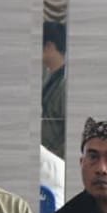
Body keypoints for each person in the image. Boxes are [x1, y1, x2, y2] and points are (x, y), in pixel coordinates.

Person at [41, 20, 67, 158]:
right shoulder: (50, 77)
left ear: (49, 46)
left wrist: (54, 159)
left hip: (54, 160)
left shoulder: (65, 83)